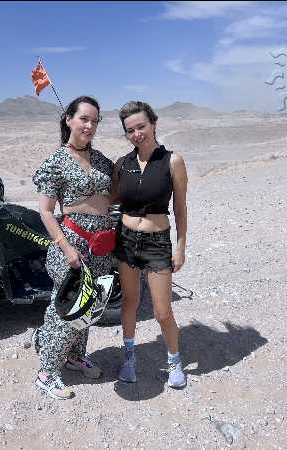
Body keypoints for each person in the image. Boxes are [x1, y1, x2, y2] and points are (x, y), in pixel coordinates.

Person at [31, 96, 114, 400]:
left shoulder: (102, 160)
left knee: (90, 307)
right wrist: (66, 248)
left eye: (95, 120)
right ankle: (46, 374)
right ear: (68, 120)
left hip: (101, 246)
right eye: (84, 119)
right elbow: (45, 212)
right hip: (72, 244)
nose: (90, 125)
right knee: (67, 307)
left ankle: (75, 357)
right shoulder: (55, 162)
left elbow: (115, 196)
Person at [111, 100, 188, 389]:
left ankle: (174, 361)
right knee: (129, 302)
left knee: (162, 311)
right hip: (126, 241)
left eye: (141, 126)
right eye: (130, 130)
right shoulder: (123, 164)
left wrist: (180, 247)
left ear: (153, 124)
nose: (136, 134)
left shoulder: (172, 161)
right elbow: (110, 198)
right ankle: (129, 357)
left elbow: (180, 209)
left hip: (157, 243)